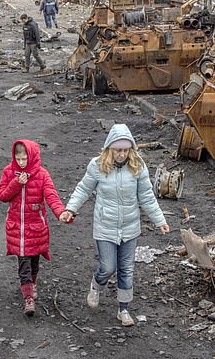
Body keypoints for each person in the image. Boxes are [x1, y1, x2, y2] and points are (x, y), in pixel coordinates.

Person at [59, 124, 169, 327]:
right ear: (109, 148)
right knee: (108, 267)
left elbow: (146, 197)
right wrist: (70, 209)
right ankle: (96, 284)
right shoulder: (97, 166)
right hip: (105, 226)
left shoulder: (138, 166)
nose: (122, 154)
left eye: (126, 150)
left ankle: (124, 309)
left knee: (126, 269)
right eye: (118, 150)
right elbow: (83, 189)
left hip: (130, 227)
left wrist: (159, 220)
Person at [0, 140, 66, 317]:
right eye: (18, 159)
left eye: (24, 159)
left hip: (36, 229)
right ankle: (28, 298)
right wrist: (16, 183)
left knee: (34, 262)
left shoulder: (42, 175)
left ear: (33, 157)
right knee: (24, 263)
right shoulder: (8, 172)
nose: (21, 162)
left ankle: (32, 285)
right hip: (17, 230)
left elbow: (52, 197)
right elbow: (2, 196)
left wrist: (61, 213)